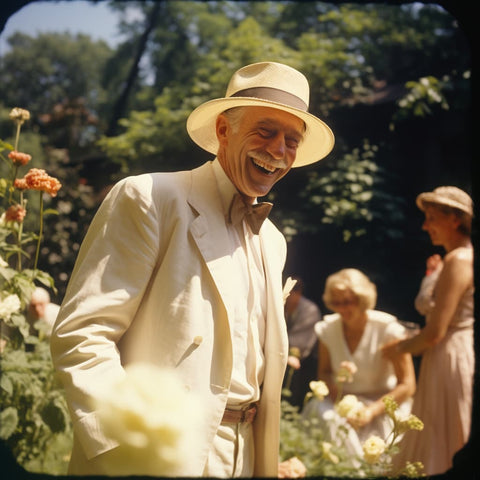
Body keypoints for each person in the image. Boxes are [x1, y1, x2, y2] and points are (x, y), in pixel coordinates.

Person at [49, 61, 335, 477]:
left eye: (292, 140)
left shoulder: (273, 241)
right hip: (158, 457)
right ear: (223, 130)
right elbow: (82, 334)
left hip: (244, 457)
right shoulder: (149, 196)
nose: (278, 151)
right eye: (266, 131)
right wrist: (129, 444)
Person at [382, 186, 474, 476]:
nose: (425, 225)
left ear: (455, 220)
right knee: (436, 431)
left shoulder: (459, 260)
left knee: (445, 435)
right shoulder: (451, 260)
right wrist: (431, 276)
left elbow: (435, 332)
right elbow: (429, 309)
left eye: (432, 217)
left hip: (450, 354)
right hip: (443, 354)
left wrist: (397, 349)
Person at [303, 268, 416, 457]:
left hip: (381, 404)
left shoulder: (388, 329)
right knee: (324, 415)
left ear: (362, 299)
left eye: (347, 302)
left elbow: (408, 385)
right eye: (336, 302)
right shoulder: (328, 329)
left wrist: (371, 411)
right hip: (341, 403)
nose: (342, 309)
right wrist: (340, 402)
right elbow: (323, 373)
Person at [283, 275, 322, 408]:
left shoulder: (310, 311)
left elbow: (298, 346)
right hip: (283, 357)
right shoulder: (280, 305)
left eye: (289, 293)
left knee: (292, 403)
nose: (286, 297)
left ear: (298, 293)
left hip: (304, 365)